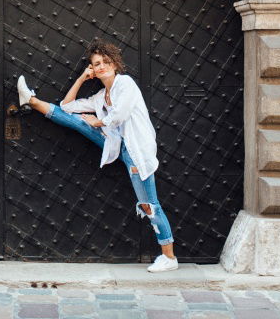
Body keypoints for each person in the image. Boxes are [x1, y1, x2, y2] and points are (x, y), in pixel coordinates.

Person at [17, 37, 178, 273]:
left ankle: (169, 256)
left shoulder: (126, 84)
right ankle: (31, 100)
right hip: (116, 144)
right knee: (77, 120)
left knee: (148, 204)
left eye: (104, 62)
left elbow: (120, 114)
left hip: (136, 151)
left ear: (114, 64)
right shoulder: (101, 96)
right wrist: (83, 77)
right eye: (95, 64)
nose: (101, 66)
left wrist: (98, 121)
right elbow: (67, 105)